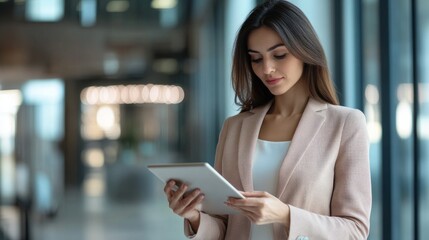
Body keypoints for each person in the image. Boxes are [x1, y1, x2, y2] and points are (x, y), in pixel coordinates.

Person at [163, 0, 372, 239]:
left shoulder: (345, 124)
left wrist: (285, 214)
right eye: (256, 59)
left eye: (279, 55)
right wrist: (194, 217)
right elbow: (223, 225)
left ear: (305, 50)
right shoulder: (235, 128)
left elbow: (355, 230)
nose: (267, 69)